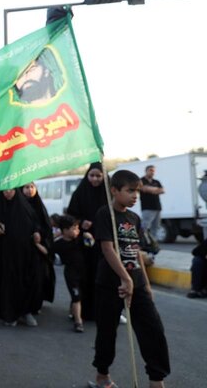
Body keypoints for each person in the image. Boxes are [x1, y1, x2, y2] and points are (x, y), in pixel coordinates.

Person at [90, 170, 170, 388]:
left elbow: (136, 253)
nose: (135, 196)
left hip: (136, 283)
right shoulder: (105, 214)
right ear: (114, 191)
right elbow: (107, 249)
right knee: (107, 332)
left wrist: (145, 283)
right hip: (110, 284)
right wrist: (125, 279)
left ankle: (156, 379)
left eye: (138, 191)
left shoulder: (134, 218)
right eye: (130, 191)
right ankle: (102, 375)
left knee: (153, 330)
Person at [0, 188, 47, 327]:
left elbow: (35, 223)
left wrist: (37, 233)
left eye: (10, 189)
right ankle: (9, 314)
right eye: (4, 190)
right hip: (4, 256)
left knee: (26, 281)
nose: (7, 192)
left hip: (25, 255)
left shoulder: (24, 207)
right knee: (7, 284)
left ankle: (26, 312)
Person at [67, 161, 109, 321]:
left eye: (99, 176)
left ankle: (103, 310)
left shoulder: (109, 194)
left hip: (103, 242)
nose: (95, 179)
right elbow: (71, 215)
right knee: (84, 275)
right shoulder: (79, 193)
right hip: (83, 244)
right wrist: (81, 221)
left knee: (102, 276)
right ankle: (79, 310)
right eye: (92, 175)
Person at [52, 214, 93, 333]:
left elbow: (90, 245)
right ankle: (78, 322)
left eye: (77, 228)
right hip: (71, 274)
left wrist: (89, 237)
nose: (77, 230)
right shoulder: (58, 244)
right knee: (76, 297)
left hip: (83, 272)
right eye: (74, 228)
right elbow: (51, 252)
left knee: (80, 294)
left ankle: (73, 312)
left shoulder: (79, 240)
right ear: (65, 231)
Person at [21, 181, 56, 310]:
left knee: (40, 277)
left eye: (32, 187)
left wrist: (40, 234)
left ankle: (37, 303)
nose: (29, 190)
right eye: (26, 187)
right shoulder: (19, 205)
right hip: (25, 248)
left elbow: (46, 226)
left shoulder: (39, 205)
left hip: (39, 249)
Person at [140, 165, 165, 237]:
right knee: (145, 226)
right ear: (146, 171)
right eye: (150, 170)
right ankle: (143, 240)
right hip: (147, 207)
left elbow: (162, 190)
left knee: (156, 227)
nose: (152, 172)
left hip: (157, 207)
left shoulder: (156, 181)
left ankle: (154, 242)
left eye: (153, 171)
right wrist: (156, 189)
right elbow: (144, 188)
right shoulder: (141, 180)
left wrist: (150, 189)